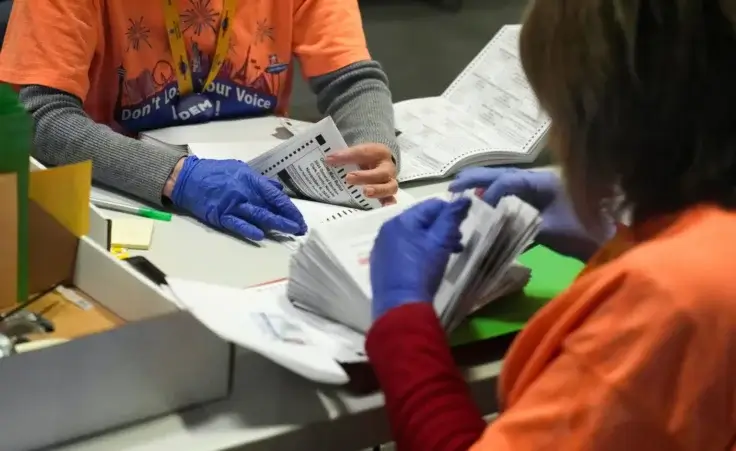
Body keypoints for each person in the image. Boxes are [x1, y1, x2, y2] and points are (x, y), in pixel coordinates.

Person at [366, 0, 736, 449]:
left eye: (558, 120)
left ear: (602, 134)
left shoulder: (672, 300)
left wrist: (402, 318)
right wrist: (616, 237)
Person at [0, 0, 399, 241]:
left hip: (264, 191)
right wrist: (176, 176)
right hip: (120, 191)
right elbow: (38, 118)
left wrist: (373, 147)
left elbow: (354, 81)